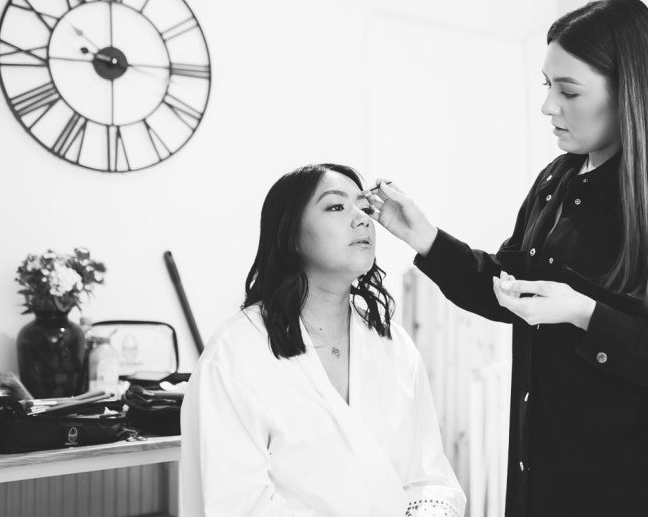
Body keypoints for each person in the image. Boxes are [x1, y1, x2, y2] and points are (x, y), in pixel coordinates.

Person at [366, 0, 648, 516]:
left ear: (629, 93)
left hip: (631, 494)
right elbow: (510, 290)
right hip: (540, 482)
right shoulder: (555, 181)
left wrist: (587, 315)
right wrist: (427, 239)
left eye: (568, 91)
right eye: (548, 86)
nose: (549, 107)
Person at [180, 163, 465, 517]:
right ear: (292, 235)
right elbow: (237, 504)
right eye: (336, 206)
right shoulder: (235, 354)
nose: (361, 219)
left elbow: (430, 478)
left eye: (364, 208)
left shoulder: (393, 343)